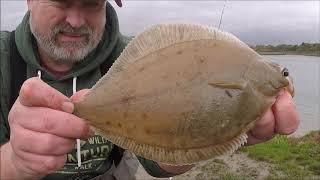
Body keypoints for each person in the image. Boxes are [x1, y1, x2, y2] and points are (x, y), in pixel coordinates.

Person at [0, 0, 300, 179]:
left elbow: (158, 162)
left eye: (92, 3)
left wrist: (220, 132)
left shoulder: (131, 55)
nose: (75, 20)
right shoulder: (4, 58)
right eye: (62, 1)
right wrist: (13, 162)